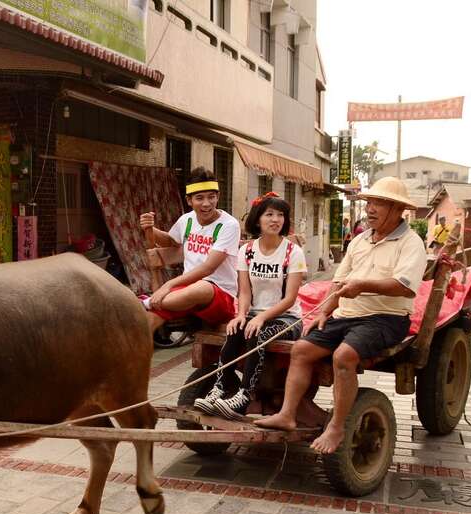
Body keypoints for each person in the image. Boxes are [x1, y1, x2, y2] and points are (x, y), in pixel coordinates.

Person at [256, 176, 427, 453]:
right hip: (346, 315)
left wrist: (362, 286)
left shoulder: (410, 242)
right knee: (300, 349)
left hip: (386, 318)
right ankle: (287, 415)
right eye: (369, 202)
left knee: (343, 356)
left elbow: (405, 288)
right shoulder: (360, 240)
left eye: (379, 203)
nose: (371, 209)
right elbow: (339, 281)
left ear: (397, 209)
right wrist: (325, 309)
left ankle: (336, 427)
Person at [193, 192, 307, 420]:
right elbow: (244, 291)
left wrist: (260, 318)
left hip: (287, 318)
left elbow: (290, 299)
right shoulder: (246, 251)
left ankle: (245, 394)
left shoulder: (293, 252)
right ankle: (219, 388)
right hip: (255, 312)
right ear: (257, 220)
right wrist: (241, 314)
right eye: (269, 214)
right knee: (235, 329)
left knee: (258, 333)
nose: (276, 220)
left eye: (281, 215)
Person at [140, 167, 240, 331]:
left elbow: (208, 268)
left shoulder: (229, 225)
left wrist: (167, 286)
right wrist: (150, 228)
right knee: (148, 321)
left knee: (200, 287)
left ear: (218, 197)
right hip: (184, 292)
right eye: (199, 198)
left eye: (211, 197)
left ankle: (145, 302)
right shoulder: (186, 220)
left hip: (220, 295)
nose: (207, 203)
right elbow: (171, 242)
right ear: (189, 200)